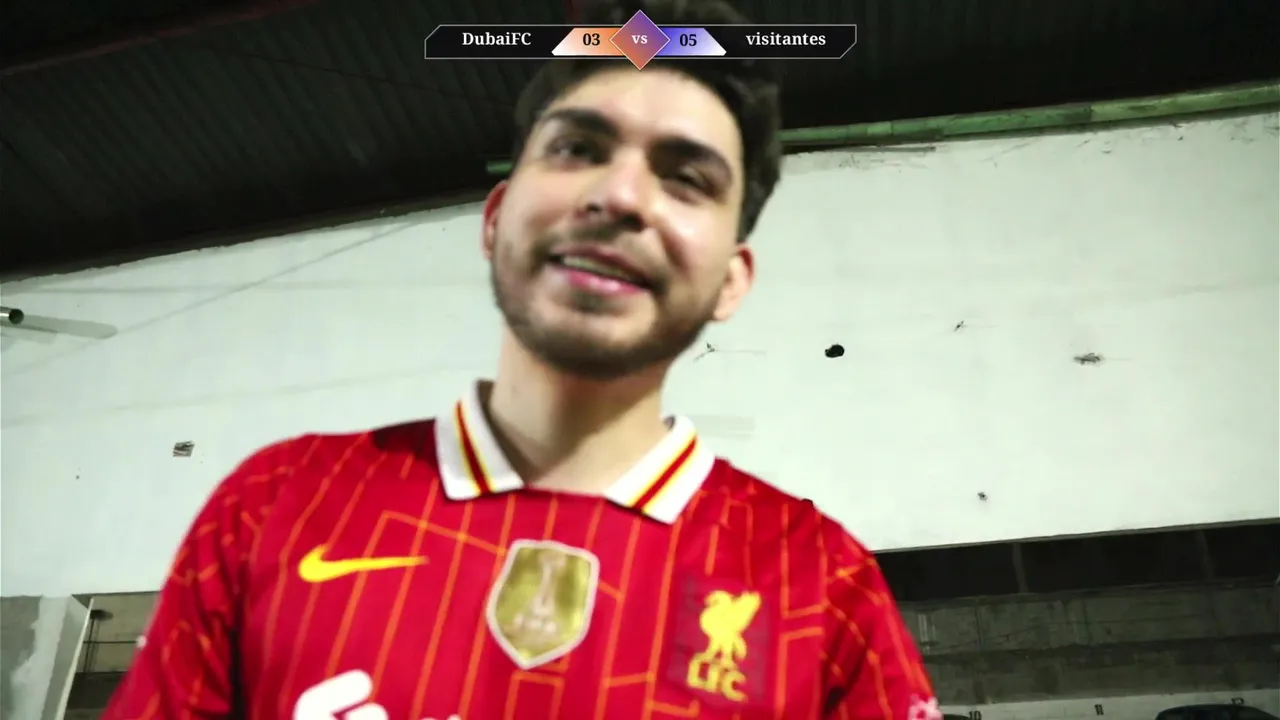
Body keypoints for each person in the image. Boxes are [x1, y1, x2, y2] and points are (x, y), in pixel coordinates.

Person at [103, 0, 938, 717]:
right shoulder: (272, 507)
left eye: (687, 177)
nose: (619, 196)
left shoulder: (823, 584)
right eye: (578, 149)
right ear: (496, 217)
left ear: (731, 279)